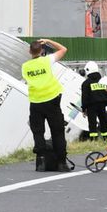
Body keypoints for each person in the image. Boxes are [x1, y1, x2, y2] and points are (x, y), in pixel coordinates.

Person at [21, 38, 69, 172]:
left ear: (29, 51)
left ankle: (41, 161)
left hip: (36, 101)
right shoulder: (47, 60)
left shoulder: (25, 67)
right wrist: (48, 41)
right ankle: (61, 163)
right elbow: (63, 49)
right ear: (42, 51)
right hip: (52, 99)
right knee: (57, 132)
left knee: (38, 132)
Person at [80, 61, 107, 142]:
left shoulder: (86, 83)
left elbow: (84, 97)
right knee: (103, 121)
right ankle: (106, 138)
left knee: (92, 123)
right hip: (103, 105)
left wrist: (84, 109)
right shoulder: (103, 81)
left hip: (91, 106)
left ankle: (93, 139)